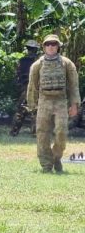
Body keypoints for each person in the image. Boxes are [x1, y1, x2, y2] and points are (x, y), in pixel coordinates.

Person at [27, 34, 81, 173]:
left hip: (60, 101)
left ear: (58, 46)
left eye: (54, 44)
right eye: (48, 44)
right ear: (44, 47)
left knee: (61, 132)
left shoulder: (67, 63)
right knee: (42, 134)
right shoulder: (37, 65)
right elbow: (32, 86)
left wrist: (74, 104)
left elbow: (73, 85)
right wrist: (32, 105)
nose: (51, 46)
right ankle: (46, 164)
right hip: (44, 101)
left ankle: (56, 157)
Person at [10, 40, 41, 136]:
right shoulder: (39, 61)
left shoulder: (22, 60)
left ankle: (14, 132)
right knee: (36, 110)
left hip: (25, 88)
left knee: (21, 110)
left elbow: (17, 75)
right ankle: (35, 132)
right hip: (36, 87)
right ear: (36, 49)